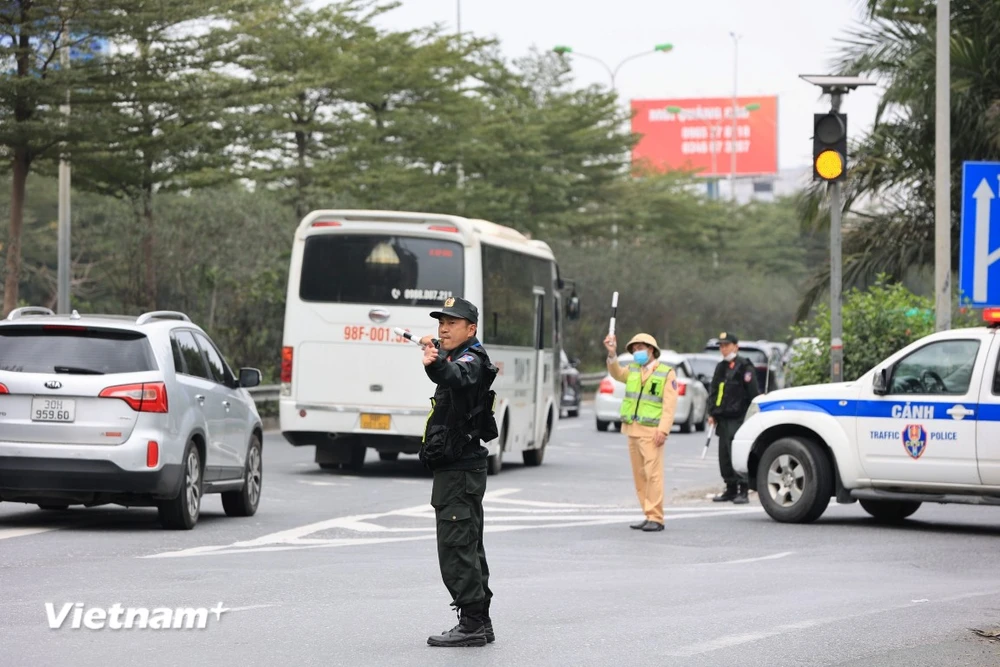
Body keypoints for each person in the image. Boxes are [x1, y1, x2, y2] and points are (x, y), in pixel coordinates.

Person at [417, 296, 499, 648]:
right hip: (461, 468)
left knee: (457, 546)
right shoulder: (462, 355)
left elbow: (454, 374)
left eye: (452, 323)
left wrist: (433, 364)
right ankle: (480, 620)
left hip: (460, 470)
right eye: (440, 323)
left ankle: (471, 624)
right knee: (468, 544)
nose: (444, 329)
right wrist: (437, 353)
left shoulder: (471, 360)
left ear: (471, 329)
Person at [602, 332, 679, 532]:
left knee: (653, 475)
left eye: (640, 348)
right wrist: (612, 354)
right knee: (640, 475)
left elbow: (669, 406)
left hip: (652, 432)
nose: (637, 352)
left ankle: (656, 517)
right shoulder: (633, 370)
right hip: (633, 429)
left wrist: (663, 430)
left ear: (651, 350)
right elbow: (616, 373)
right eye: (634, 349)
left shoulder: (666, 373)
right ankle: (648, 513)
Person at [707, 332, 759, 504]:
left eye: (726, 345)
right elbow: (714, 391)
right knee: (724, 455)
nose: (723, 349)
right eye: (721, 346)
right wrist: (712, 412)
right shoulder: (720, 367)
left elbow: (753, 393)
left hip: (738, 418)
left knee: (736, 452)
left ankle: (743, 489)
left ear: (736, 346)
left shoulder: (745, 367)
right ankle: (730, 488)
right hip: (723, 418)